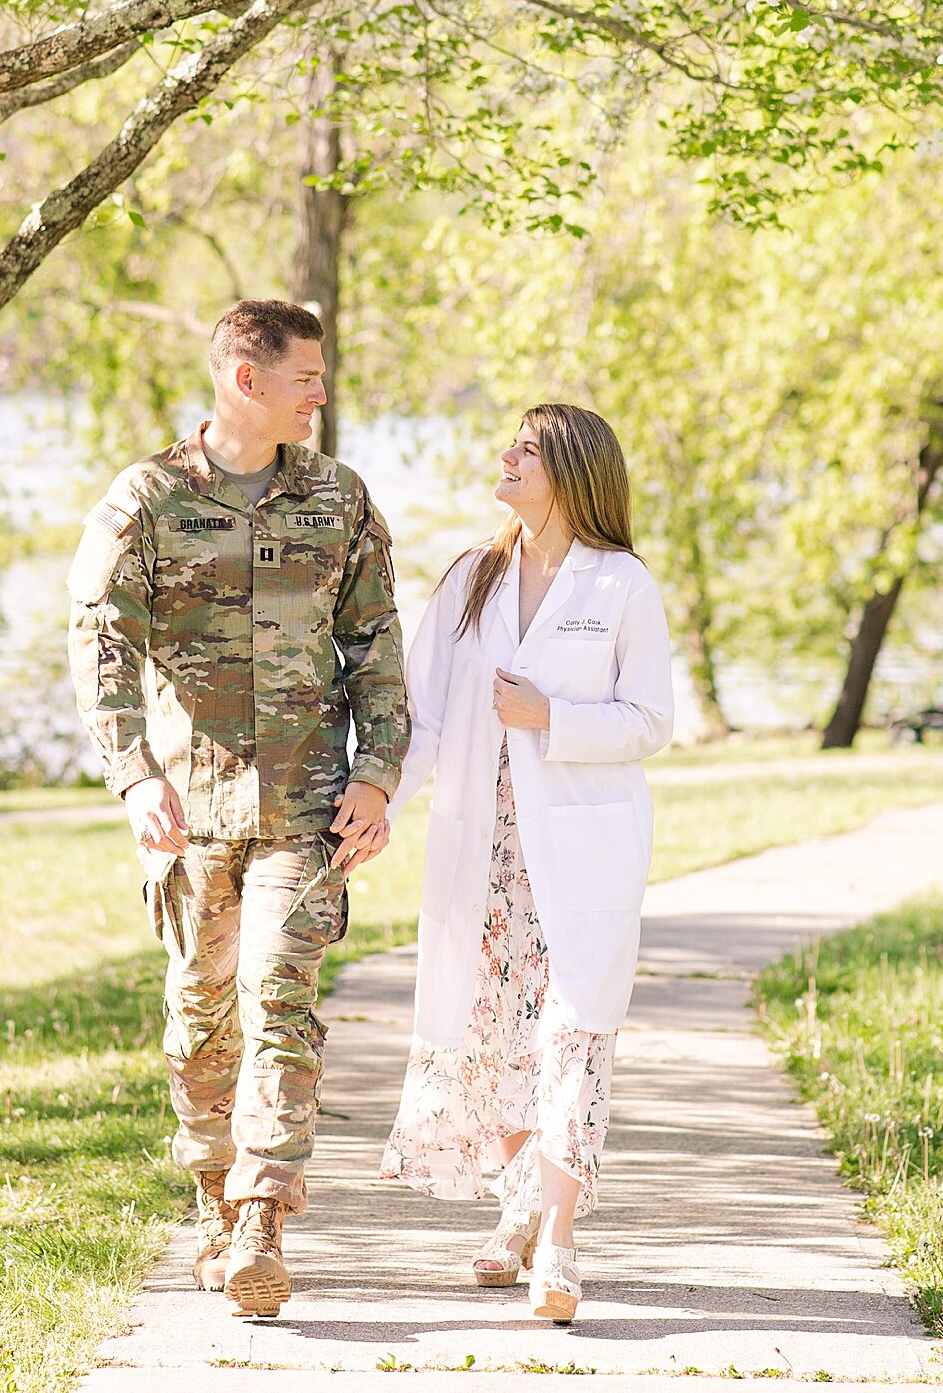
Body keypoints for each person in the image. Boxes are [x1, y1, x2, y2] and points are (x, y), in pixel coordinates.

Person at [67, 298, 409, 1319]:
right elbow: (100, 647)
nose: (322, 392)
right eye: (306, 375)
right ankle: (215, 1191)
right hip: (190, 811)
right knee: (197, 1021)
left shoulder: (340, 499)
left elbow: (380, 648)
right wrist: (134, 775)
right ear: (243, 381)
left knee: (278, 993)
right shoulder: (149, 498)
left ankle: (262, 1211)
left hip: (308, 809)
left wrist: (379, 774)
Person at [379, 403, 674, 1324]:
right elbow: (421, 716)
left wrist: (554, 718)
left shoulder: (622, 586)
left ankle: (558, 1243)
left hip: (581, 849)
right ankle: (516, 1204)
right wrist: (379, 800)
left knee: (572, 1037)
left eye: (528, 450)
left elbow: (652, 721)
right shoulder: (472, 578)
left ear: (573, 474)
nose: (505, 457)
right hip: (486, 848)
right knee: (492, 1035)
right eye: (510, 442)